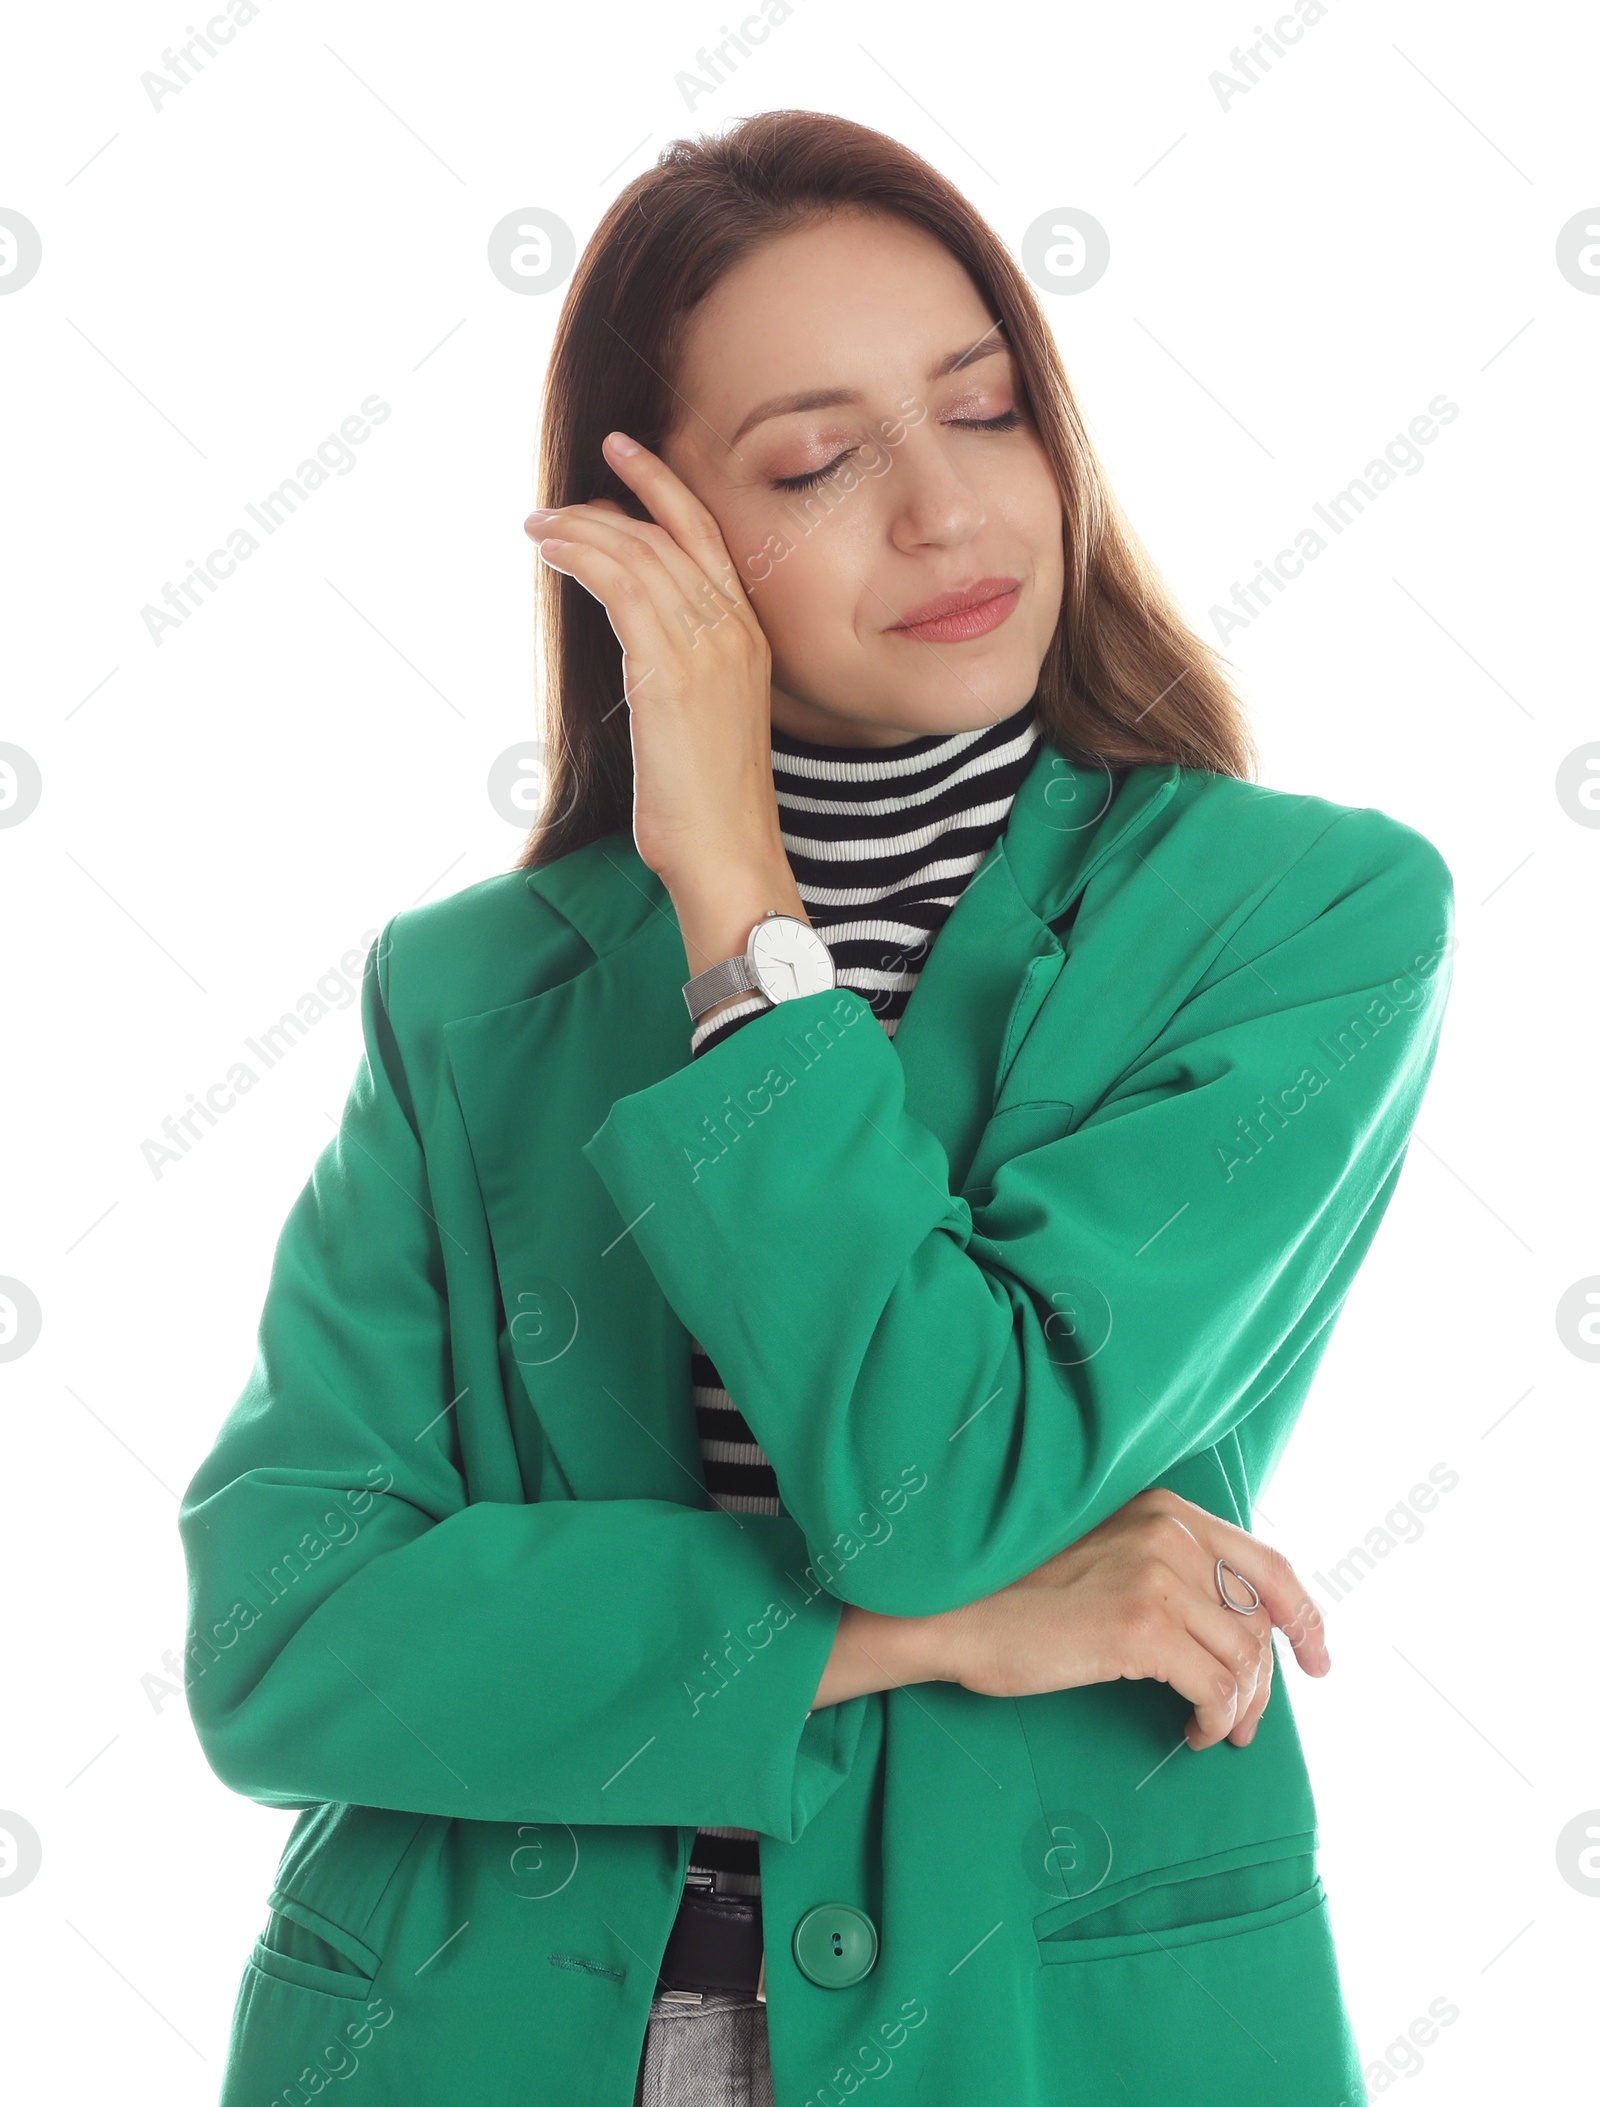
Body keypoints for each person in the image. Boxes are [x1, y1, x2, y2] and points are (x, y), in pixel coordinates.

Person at [180, 110, 1453, 2107]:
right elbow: (285, 1637)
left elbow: (929, 1478)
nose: (948, 512)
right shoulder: (467, 990)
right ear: (651, 534)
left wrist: (751, 927)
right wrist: (927, 1634)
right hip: (472, 2036)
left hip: (1041, 2031)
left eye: (984, 409)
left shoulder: (1300, 917)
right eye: (813, 458)